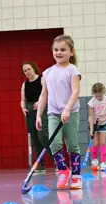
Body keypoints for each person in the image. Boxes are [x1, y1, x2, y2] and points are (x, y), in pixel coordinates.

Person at [36, 34, 82, 189]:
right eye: (56, 49)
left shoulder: (72, 70)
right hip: (53, 113)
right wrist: (38, 115)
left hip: (71, 112)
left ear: (71, 52)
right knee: (54, 144)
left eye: (63, 49)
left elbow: (75, 92)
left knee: (72, 144)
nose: (59, 52)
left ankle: (76, 176)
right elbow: (44, 95)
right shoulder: (48, 73)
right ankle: (63, 170)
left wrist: (67, 109)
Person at [20, 61, 53, 173]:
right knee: (34, 139)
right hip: (30, 112)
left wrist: (40, 102)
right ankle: (40, 165)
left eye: (29, 69)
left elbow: (47, 94)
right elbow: (22, 100)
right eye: (25, 71)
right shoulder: (25, 84)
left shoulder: (42, 79)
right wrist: (23, 107)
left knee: (43, 136)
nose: (27, 72)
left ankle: (58, 163)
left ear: (33, 68)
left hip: (42, 110)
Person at [87, 83, 106, 171]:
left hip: (103, 123)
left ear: (103, 92)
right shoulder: (91, 102)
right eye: (96, 96)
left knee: (102, 142)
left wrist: (105, 118)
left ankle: (103, 162)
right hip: (93, 124)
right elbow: (91, 117)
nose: (98, 98)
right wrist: (91, 130)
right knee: (95, 143)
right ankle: (94, 161)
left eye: (100, 96)